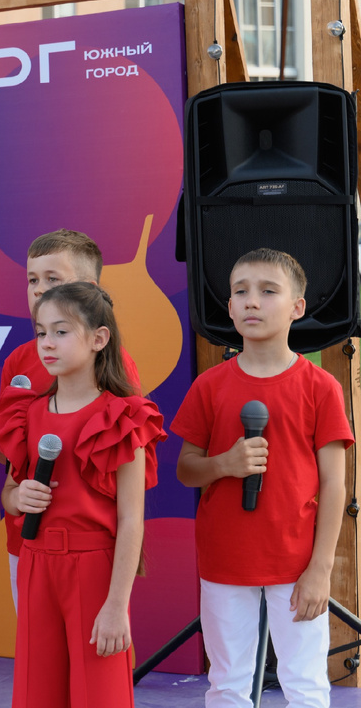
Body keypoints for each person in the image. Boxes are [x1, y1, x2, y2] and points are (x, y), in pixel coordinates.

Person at [173, 248, 352, 708]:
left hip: (296, 562)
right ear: (230, 308)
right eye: (241, 292)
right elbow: (186, 468)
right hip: (225, 559)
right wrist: (224, 464)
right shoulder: (209, 386)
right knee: (227, 683)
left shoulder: (320, 387)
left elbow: (335, 484)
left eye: (268, 291)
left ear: (297, 307)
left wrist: (320, 569)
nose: (252, 301)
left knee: (305, 683)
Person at [0, 282, 164, 707]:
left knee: (99, 692)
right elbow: (9, 493)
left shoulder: (123, 417)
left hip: (94, 570)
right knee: (36, 692)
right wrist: (18, 498)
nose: (47, 343)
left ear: (99, 339)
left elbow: (131, 520)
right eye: (41, 332)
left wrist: (116, 605)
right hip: (35, 564)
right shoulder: (27, 413)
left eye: (61, 331)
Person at [0, 229, 141, 611]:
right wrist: (18, 494)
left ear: (88, 289)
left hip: (91, 551)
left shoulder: (117, 370)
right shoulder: (17, 362)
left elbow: (126, 476)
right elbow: (8, 459)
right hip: (27, 542)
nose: (40, 290)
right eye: (32, 280)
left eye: (53, 279)